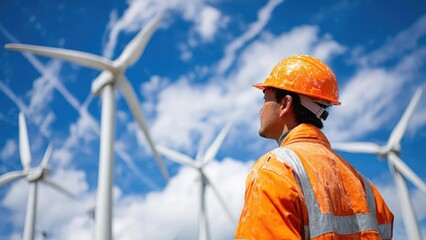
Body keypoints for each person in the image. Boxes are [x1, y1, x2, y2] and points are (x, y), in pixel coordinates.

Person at [234, 55, 394, 239]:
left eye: (265, 99)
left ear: (285, 104)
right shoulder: (366, 188)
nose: (260, 110)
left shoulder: (274, 170)